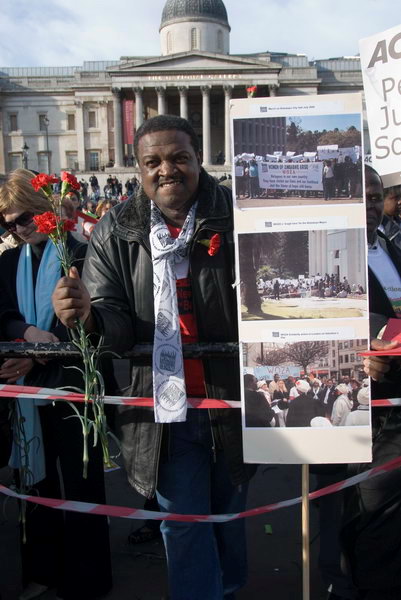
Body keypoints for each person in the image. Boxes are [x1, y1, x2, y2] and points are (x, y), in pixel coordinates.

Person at [52, 115, 256, 600]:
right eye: (153, 162)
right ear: (139, 170)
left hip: (235, 401)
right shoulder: (115, 229)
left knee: (229, 520)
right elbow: (113, 315)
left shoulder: (237, 212)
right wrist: (89, 319)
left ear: (198, 158)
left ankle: (227, 589)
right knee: (183, 524)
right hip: (164, 409)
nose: (167, 169)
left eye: (179, 157)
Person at [0, 169, 112, 600]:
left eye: (24, 218)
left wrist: (41, 350)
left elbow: (96, 318)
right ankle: (43, 569)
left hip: (72, 386)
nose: (17, 229)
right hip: (27, 388)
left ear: (45, 207)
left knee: (82, 482)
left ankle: (89, 577)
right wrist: (23, 341)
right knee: (35, 481)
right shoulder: (8, 261)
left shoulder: (83, 254)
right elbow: (4, 311)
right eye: (8, 224)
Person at [340, 165, 401, 599]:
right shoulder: (331, 254)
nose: (371, 205)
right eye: (360, 196)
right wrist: (378, 331)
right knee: (370, 513)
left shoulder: (391, 247)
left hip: (397, 401)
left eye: (376, 195)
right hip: (367, 408)